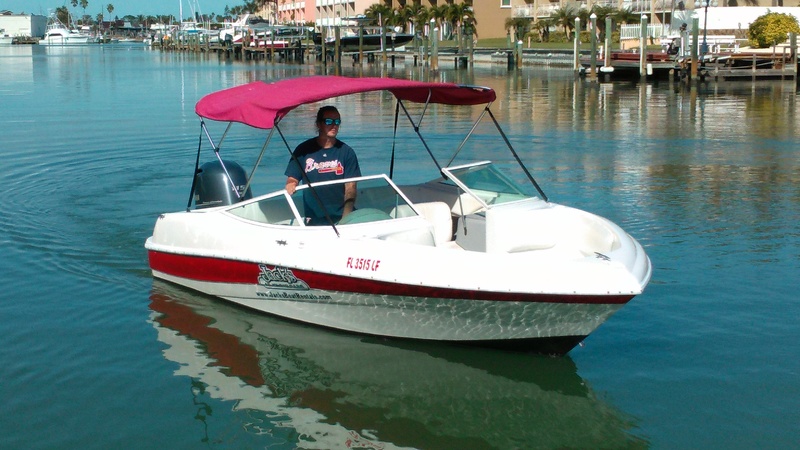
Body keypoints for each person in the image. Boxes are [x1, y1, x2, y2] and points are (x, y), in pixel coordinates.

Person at [284, 106, 361, 225]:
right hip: (315, 218)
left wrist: (346, 219)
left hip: (342, 217)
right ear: (318, 124)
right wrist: (291, 184)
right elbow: (292, 178)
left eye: (337, 122)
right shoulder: (303, 150)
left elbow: (351, 188)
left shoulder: (347, 152)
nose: (334, 125)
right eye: (329, 121)